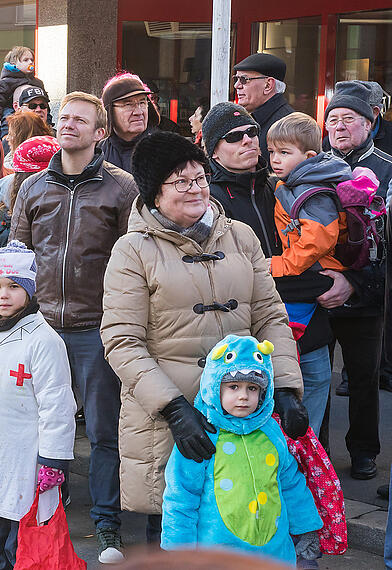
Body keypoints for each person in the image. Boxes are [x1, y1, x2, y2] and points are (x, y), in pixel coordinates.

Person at [101, 130, 305, 547]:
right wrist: (174, 409)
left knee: (246, 531)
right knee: (177, 531)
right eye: (180, 181)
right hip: (172, 418)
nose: (195, 189)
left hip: (244, 415)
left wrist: (284, 386)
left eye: (199, 178)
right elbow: (122, 341)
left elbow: (269, 316)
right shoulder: (132, 250)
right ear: (154, 193)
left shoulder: (241, 236)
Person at [10, 91, 136, 563]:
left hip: (96, 328)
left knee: (103, 431)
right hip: (41, 326)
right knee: (40, 425)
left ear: (100, 133)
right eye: (63, 118)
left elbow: (132, 259)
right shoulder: (32, 187)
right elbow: (17, 255)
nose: (68, 125)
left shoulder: (121, 188)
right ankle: (46, 505)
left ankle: (107, 523)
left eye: (80, 120)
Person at [0, 240, 78, 569]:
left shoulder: (44, 340)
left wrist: (53, 459)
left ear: (30, 291)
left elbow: (57, 405)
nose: (3, 295)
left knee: (20, 546)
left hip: (25, 463)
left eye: (13, 287)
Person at [161, 334, 322, 565]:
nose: (243, 396)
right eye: (233, 386)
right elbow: (181, 497)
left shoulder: (272, 432)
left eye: (253, 388)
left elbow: (291, 482)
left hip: (274, 554)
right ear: (214, 385)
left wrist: (306, 528)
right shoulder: (201, 436)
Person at [320, 81, 392, 480]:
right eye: (333, 119)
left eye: (349, 119)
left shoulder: (387, 168)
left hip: (367, 292)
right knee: (315, 375)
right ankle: (319, 450)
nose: (339, 127)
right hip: (320, 290)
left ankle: (364, 451)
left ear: (370, 123)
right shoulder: (313, 166)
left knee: (364, 377)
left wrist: (356, 282)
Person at [266, 112, 352, 436]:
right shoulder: (295, 182)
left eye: (284, 153)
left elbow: (315, 243)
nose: (275, 159)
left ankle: (305, 453)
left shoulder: (313, 191)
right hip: (309, 276)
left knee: (310, 372)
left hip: (316, 274)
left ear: (310, 157)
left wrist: (278, 265)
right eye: (272, 151)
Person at [202, 102, 280, 258]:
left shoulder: (276, 187)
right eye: (233, 137)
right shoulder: (208, 199)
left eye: (251, 131)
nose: (247, 140)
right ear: (214, 152)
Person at [232, 53, 294, 163]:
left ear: (268, 85)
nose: (236, 85)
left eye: (244, 79)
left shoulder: (287, 126)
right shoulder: (252, 119)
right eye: (236, 79)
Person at [100, 72, 159, 173]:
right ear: (109, 112)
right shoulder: (97, 154)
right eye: (128, 104)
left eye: (142, 103)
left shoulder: (165, 151)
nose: (138, 112)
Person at [0, 46, 44, 132]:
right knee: (8, 119)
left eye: (32, 60)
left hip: (33, 109)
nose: (30, 62)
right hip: (11, 109)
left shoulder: (38, 83)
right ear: (14, 64)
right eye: (26, 60)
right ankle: (7, 138)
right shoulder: (6, 82)